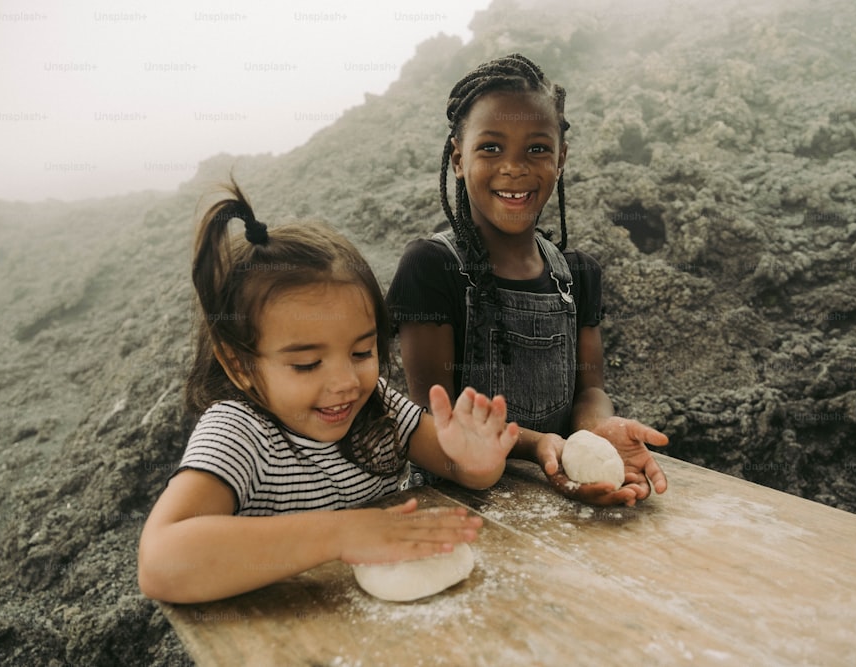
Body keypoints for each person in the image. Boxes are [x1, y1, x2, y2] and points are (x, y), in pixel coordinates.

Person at [138, 182, 518, 604]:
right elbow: (161, 565)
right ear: (240, 365)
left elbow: (461, 469)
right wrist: (343, 534)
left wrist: (476, 461)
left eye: (361, 351)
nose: (346, 382)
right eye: (306, 364)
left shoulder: (376, 404)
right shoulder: (238, 432)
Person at [386, 54, 668, 507]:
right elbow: (437, 420)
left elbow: (590, 389)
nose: (514, 167)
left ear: (561, 158)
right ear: (458, 159)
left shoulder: (577, 274)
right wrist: (540, 446)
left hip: (558, 493)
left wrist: (596, 435)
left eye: (537, 148)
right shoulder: (431, 268)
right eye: (491, 148)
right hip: (455, 502)